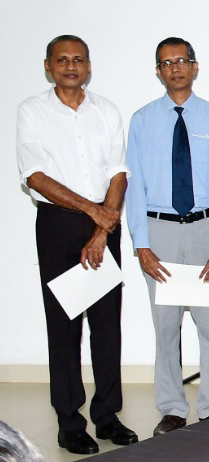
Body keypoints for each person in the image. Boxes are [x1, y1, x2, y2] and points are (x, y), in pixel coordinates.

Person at [17, 34, 135, 455]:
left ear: (89, 66)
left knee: (107, 326)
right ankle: (69, 422)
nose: (71, 66)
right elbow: (35, 176)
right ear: (48, 66)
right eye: (62, 59)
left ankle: (108, 416)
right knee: (63, 327)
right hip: (58, 225)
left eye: (79, 59)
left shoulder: (106, 110)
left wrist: (103, 228)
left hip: (105, 222)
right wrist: (93, 211)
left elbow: (118, 172)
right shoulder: (32, 111)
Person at [123, 37, 209, 436]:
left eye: (182, 60)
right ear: (158, 71)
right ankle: (172, 408)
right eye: (167, 63)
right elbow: (134, 187)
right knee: (166, 326)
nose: (175, 68)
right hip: (160, 231)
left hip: (207, 228)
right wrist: (141, 244)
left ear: (195, 66)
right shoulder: (142, 120)